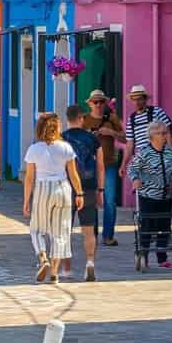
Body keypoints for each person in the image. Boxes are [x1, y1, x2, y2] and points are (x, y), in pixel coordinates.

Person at [21, 112, 83, 283]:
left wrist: (26, 201)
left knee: (37, 229)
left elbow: (29, 178)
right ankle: (54, 272)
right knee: (60, 231)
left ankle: (43, 259)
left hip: (43, 189)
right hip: (63, 189)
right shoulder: (66, 147)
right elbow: (73, 174)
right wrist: (79, 193)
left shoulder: (34, 149)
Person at [129, 120, 172, 269]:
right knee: (147, 227)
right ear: (152, 135)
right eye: (161, 133)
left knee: (164, 228)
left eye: (165, 133)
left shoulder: (169, 152)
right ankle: (144, 257)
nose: (164, 136)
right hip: (148, 196)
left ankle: (162, 259)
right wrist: (135, 179)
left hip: (165, 196)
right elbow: (132, 169)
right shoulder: (144, 152)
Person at [61, 105, 102, 281]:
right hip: (89, 187)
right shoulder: (92, 139)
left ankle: (67, 269)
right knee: (89, 229)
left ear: (67, 119)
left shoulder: (60, 139)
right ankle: (90, 263)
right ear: (81, 118)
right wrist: (101, 189)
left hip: (66, 187)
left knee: (64, 230)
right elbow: (100, 166)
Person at [89, 90, 123, 244]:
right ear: (90, 103)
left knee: (110, 200)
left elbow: (125, 137)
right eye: (95, 102)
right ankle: (93, 235)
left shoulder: (112, 118)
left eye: (101, 102)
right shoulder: (84, 119)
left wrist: (111, 132)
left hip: (109, 164)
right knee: (92, 200)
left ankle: (108, 236)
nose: (98, 105)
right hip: (91, 165)